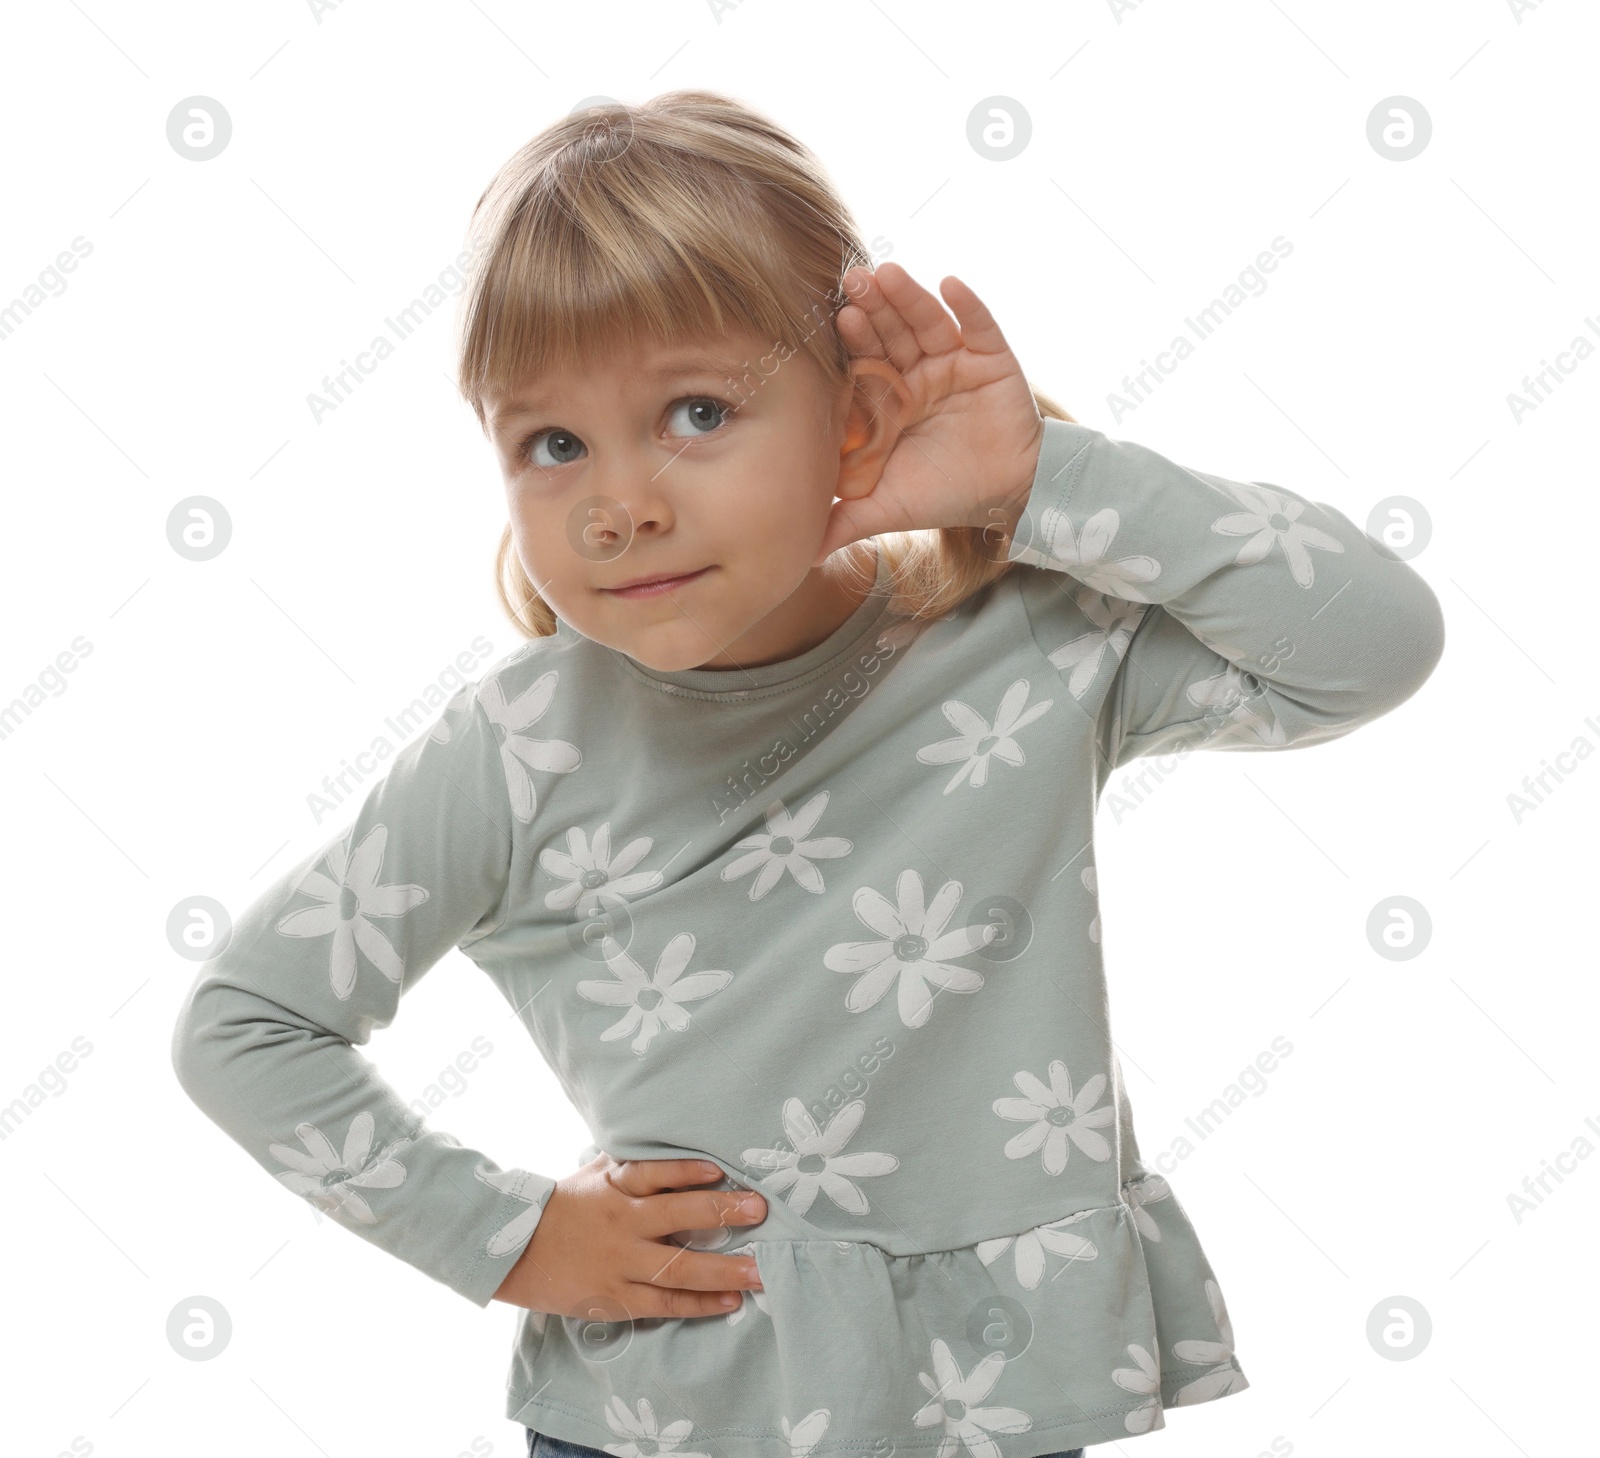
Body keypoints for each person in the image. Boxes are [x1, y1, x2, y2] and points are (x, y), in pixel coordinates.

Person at [171, 89, 1445, 1458]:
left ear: (854, 414)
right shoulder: (519, 747)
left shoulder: (1015, 642)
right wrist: (514, 1235)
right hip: (673, 1410)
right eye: (554, 444)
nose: (623, 501)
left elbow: (1370, 646)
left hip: (997, 1393)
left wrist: (1042, 477)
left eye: (698, 411)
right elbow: (247, 1027)